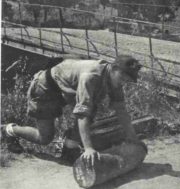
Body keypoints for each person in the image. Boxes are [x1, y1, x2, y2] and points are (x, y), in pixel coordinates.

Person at [1, 55, 143, 165]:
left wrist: (133, 138)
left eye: (128, 80)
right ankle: (9, 130)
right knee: (44, 137)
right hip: (45, 88)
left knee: (91, 109)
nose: (124, 82)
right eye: (123, 77)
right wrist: (88, 148)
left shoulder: (114, 79)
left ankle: (69, 148)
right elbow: (82, 114)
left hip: (65, 89)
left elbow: (122, 111)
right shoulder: (91, 76)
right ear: (113, 68)